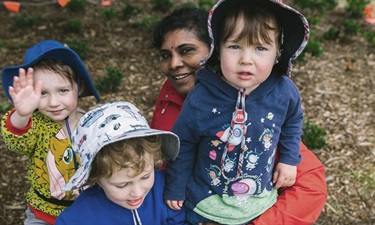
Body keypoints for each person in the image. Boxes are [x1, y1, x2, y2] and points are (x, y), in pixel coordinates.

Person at [151, 4, 326, 225]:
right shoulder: (198, 98)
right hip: (206, 201)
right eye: (235, 46)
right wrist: (175, 188)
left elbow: (292, 121)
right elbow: (182, 144)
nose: (246, 59)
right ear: (219, 49)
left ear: (277, 54)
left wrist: (290, 160)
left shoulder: (282, 92)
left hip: (258, 203)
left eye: (260, 48)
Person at [1, 40, 100, 225]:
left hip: (88, 209)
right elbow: (16, 143)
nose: (54, 102)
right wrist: (22, 116)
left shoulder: (92, 123)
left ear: (81, 87)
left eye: (63, 90)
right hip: (43, 214)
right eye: (43, 93)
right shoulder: (36, 125)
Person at [55, 101, 187, 224]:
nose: (137, 192)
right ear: (95, 176)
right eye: (122, 185)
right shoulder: (81, 215)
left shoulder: (166, 188)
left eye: (145, 177)